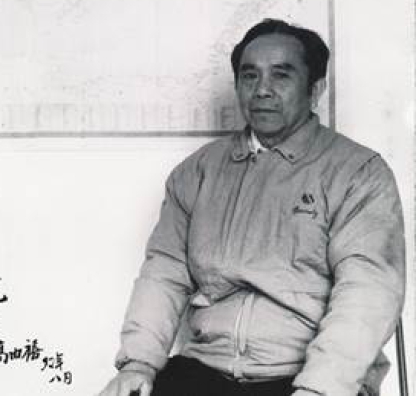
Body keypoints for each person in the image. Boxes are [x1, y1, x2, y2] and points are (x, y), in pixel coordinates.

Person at [98, 19, 406, 396]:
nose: (262, 90)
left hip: (308, 376)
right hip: (207, 370)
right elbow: (164, 272)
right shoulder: (198, 171)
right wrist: (139, 363)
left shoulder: (358, 172)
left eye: (281, 75)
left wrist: (321, 388)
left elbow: (367, 292)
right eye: (249, 76)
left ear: (315, 89)